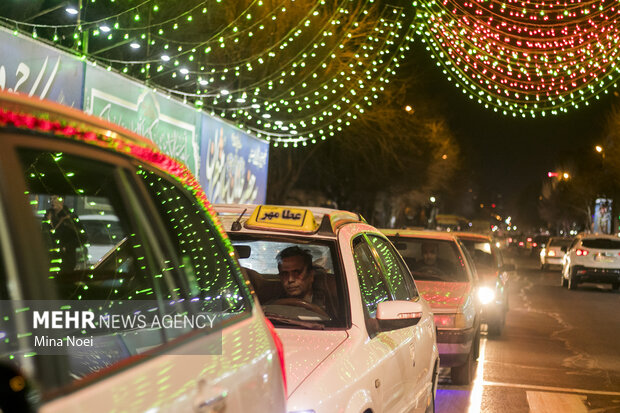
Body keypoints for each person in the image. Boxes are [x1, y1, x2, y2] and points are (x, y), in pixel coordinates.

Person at [272, 246, 335, 316]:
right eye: (284, 274)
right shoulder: (274, 304)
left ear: (311, 276)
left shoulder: (330, 304)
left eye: (297, 273)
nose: (290, 280)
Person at [44, 195, 86, 272]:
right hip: (48, 259)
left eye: (54, 198)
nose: (52, 201)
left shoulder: (70, 218)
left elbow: (83, 237)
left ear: (62, 200)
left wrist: (66, 247)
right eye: (51, 199)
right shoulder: (47, 217)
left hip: (65, 260)